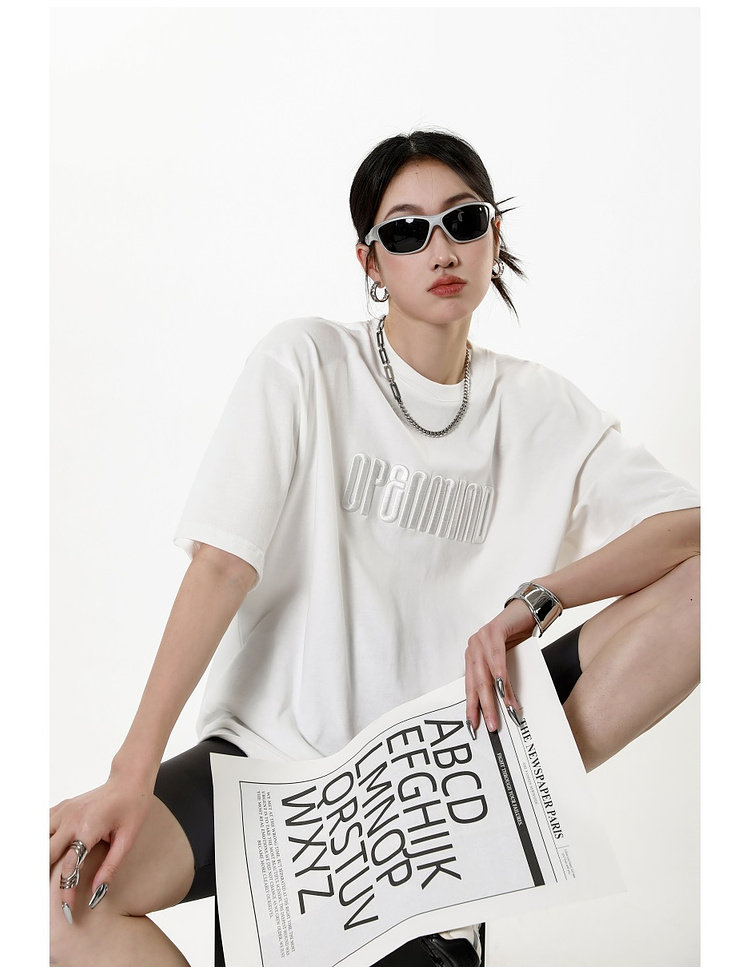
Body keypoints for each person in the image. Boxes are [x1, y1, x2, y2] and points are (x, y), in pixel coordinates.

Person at [49, 130, 700, 967]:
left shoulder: (542, 408)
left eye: (463, 220)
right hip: (265, 766)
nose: (441, 249)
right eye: (406, 231)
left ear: (494, 234)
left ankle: (480, 848)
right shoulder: (307, 363)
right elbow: (221, 564)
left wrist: (536, 600)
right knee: (55, 893)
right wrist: (130, 770)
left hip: (436, 780)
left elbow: (697, 528)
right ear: (371, 261)